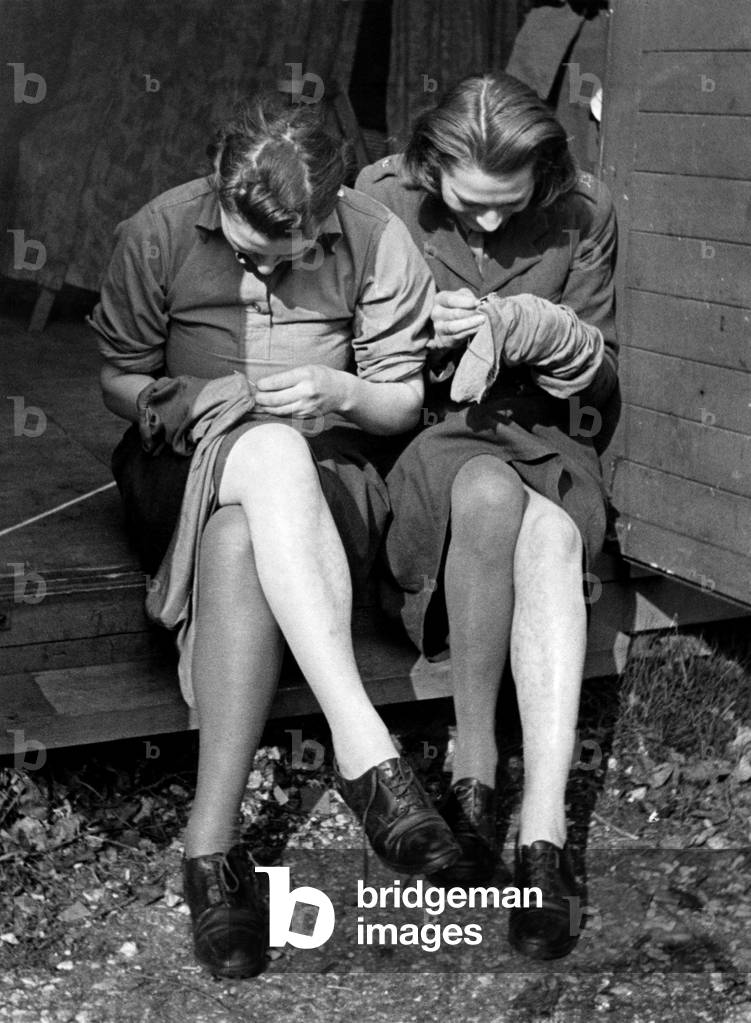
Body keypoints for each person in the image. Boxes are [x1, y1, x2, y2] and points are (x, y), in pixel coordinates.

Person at [89, 94, 461, 980]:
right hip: (182, 457)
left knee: (239, 541)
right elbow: (115, 377)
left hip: (330, 469)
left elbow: (400, 404)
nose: (257, 276)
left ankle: (208, 849)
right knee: (265, 451)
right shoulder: (158, 231)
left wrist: (341, 392)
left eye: (279, 258)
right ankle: (364, 747)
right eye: (242, 251)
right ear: (218, 192)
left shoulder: (374, 237)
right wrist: (173, 400)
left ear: (324, 214)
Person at [356, 71, 618, 960]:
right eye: (472, 203)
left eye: (513, 200)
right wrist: (416, 333)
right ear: (431, 168)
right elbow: (349, 344)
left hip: (544, 432)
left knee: (549, 530)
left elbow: (600, 372)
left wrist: (533, 326)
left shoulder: (582, 211)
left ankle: (538, 825)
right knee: (486, 491)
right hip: (429, 432)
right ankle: (474, 764)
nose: (494, 221)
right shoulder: (382, 196)